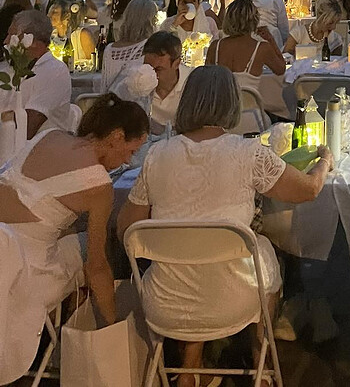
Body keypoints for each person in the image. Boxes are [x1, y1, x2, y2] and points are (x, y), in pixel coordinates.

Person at [118, 67, 333, 387]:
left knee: (187, 256)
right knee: (264, 252)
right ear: (231, 103)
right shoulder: (248, 154)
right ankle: (261, 360)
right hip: (234, 299)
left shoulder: (157, 155)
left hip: (164, 302)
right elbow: (308, 190)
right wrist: (324, 161)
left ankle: (189, 369)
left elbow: (127, 228)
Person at [0, 93, 148, 384]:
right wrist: (112, 326)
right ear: (116, 137)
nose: (128, 160)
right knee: (100, 248)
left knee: (72, 238)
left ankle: (59, 337)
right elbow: (97, 268)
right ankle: (89, 337)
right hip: (27, 267)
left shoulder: (50, 136)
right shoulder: (98, 185)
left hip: (3, 242)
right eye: (130, 151)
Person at [1, 10, 73, 137]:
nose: (6, 41)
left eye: (11, 35)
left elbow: (27, 128)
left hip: (38, 150)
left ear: (32, 41)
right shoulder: (7, 68)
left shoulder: (55, 71)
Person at [205, 0, 286, 99]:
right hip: (249, 110)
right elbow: (281, 69)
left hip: (222, 108)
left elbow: (207, 78)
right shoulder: (262, 48)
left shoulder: (215, 46)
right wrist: (271, 40)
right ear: (254, 20)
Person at [114, 31, 192, 133]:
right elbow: (113, 109)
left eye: (158, 69)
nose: (151, 73)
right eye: (148, 67)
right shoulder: (136, 79)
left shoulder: (192, 83)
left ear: (177, 64)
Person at [100, 0, 158, 91]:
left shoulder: (109, 50)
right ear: (151, 21)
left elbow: (104, 86)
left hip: (114, 103)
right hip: (138, 103)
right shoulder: (149, 47)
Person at [47, 0, 97, 68]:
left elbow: (94, 64)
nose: (49, 15)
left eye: (55, 11)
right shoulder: (52, 36)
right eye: (50, 11)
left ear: (67, 15)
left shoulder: (82, 35)